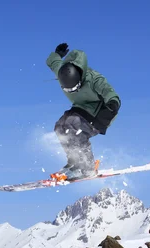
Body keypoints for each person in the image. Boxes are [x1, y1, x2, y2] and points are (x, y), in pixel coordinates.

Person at [46, 43, 121, 180]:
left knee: (74, 127)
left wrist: (112, 104)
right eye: (69, 90)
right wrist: (56, 54)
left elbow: (110, 94)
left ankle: (87, 167)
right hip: (81, 107)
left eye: (75, 88)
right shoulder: (62, 72)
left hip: (101, 112)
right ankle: (74, 162)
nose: (73, 91)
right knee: (60, 126)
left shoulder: (94, 79)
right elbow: (53, 63)